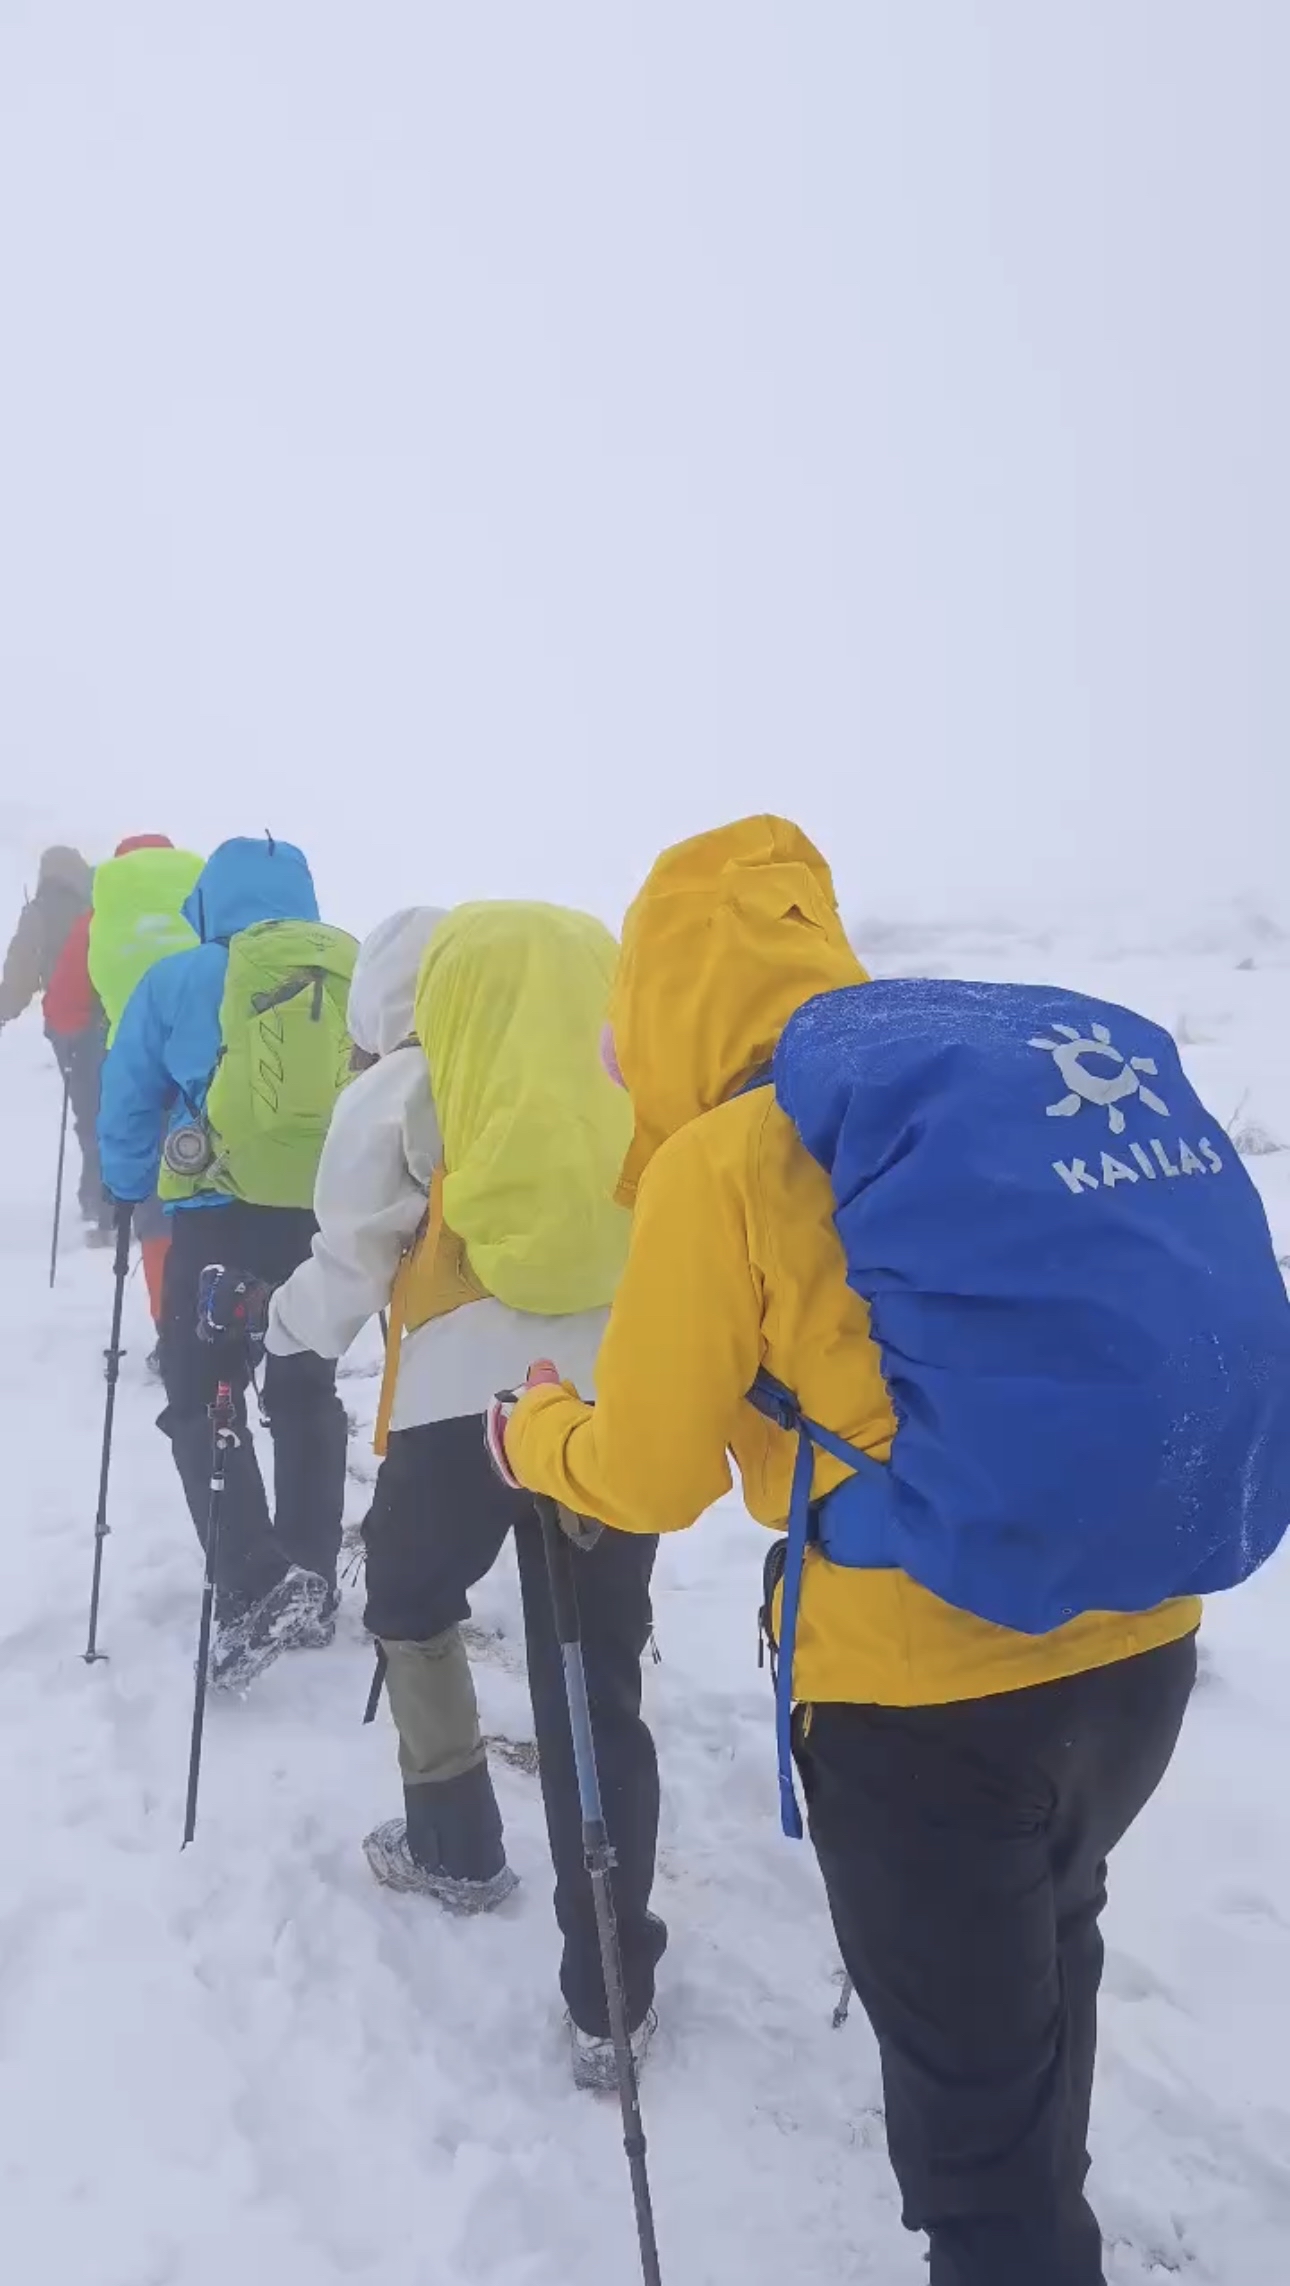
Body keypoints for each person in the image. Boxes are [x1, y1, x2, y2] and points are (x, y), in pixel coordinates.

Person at [501, 817, 1207, 2283]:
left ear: (672, 992)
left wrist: (536, 1441)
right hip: (1138, 1644)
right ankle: (1039, 2195)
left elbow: (642, 1474)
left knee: (976, 2167)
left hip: (924, 1701)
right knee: (1040, 1978)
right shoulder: (949, 1106)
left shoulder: (730, 1158)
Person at [259, 903, 665, 2090]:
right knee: (594, 1677)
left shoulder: (404, 1085)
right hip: (607, 1400)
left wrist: (286, 1342)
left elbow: (353, 1255)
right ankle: (611, 1994)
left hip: (461, 1409)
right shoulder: (608, 1072)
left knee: (409, 1596)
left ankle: (455, 1840)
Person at [98, 835, 354, 1688]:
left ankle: (252, 1575)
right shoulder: (347, 972)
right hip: (318, 1217)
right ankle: (311, 1567)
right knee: (304, 1384)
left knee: (203, 1393)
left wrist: (128, 1185)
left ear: (210, 901)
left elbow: (130, 1088)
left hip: (213, 1215)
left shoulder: (178, 980)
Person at [88, 834, 205, 1347]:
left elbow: (92, 979)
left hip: (136, 1064)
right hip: (206, 1062)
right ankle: (230, 1317)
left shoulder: (109, 906)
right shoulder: (201, 886)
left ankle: (170, 1325)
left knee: (157, 1214)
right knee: (214, 1200)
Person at [0, 845, 110, 1238]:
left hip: (68, 1026)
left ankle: (96, 1195)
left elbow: (21, 971)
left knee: (87, 1110)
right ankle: (106, 1194)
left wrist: (4, 1008)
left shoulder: (40, 912)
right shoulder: (100, 907)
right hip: (110, 1021)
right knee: (112, 1107)